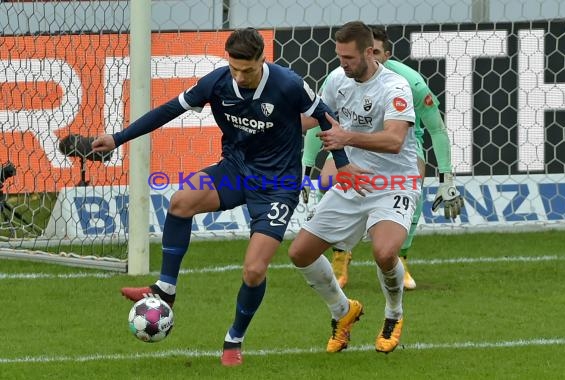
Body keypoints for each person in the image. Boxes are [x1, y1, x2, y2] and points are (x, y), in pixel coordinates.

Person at [92, 27, 365, 367]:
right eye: (234, 68)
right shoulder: (217, 82)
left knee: (253, 270)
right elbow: (167, 110)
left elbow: (326, 117)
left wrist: (343, 164)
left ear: (262, 61)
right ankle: (165, 290)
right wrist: (118, 138)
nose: (239, 75)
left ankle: (234, 338)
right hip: (236, 169)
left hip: (277, 185)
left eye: (247, 70)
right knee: (181, 201)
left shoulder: (288, 84)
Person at [289, 21, 420, 354]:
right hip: (352, 181)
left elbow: (394, 140)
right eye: (339, 56)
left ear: (370, 52)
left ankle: (393, 313)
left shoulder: (396, 87)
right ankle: (343, 311)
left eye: (348, 57)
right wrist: (270, 123)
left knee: (385, 252)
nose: (342, 63)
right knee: (300, 253)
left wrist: (347, 137)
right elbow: (316, 117)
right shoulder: (337, 80)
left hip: (395, 183)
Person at [302, 25, 464, 290]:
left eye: (377, 52)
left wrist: (446, 178)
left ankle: (400, 257)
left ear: (386, 54)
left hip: (400, 148)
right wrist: (306, 167)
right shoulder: (339, 77)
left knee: (414, 184)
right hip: (352, 145)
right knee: (327, 180)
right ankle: (340, 256)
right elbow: (321, 121)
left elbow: (436, 128)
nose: (372, 57)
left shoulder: (408, 83)